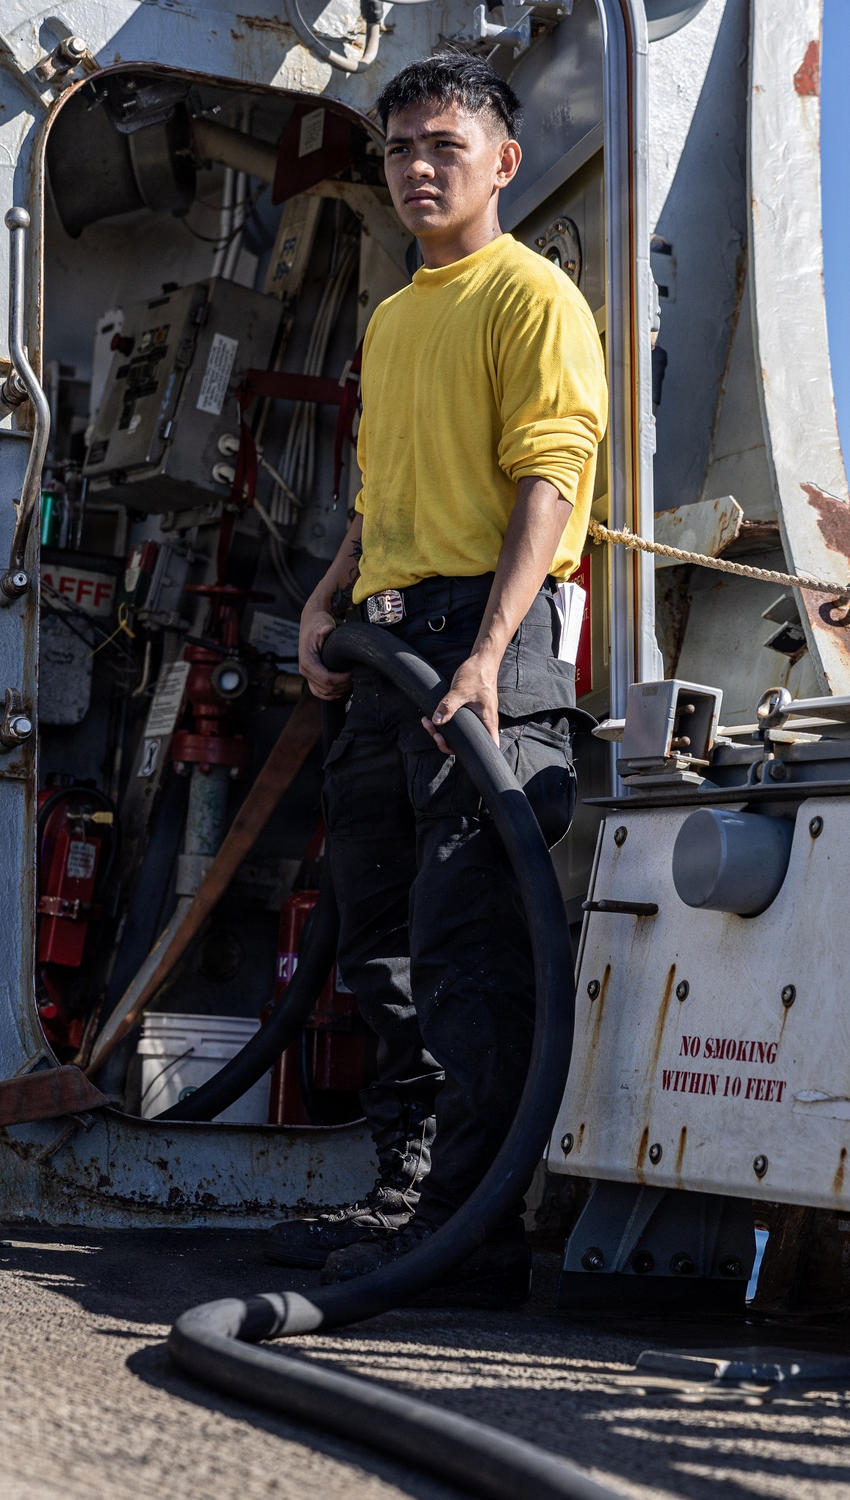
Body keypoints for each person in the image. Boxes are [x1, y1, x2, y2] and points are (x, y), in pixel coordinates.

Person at [265, 53, 607, 1306]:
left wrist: (483, 653)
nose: (417, 168)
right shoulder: (395, 314)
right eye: (401, 147)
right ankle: (406, 1195)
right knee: (380, 945)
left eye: (443, 147)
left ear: (501, 162)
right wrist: (324, 598)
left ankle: (471, 1231)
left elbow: (549, 480)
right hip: (385, 639)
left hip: (485, 645)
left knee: (472, 951)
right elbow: (378, 491)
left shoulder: (533, 300)